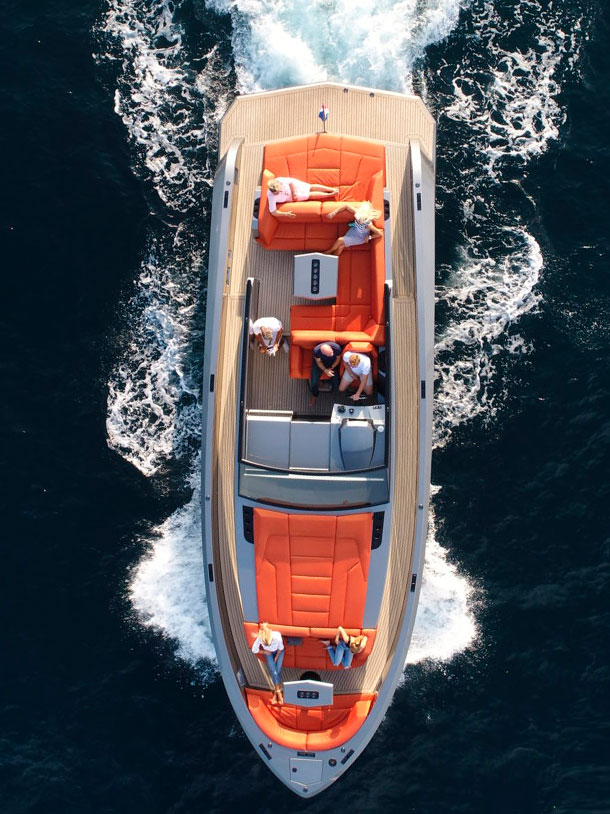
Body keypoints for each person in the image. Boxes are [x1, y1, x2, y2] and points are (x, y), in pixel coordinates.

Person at [267, 177, 338, 219]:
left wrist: (293, 192)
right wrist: (286, 214)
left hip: (293, 187)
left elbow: (291, 182)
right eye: (276, 193)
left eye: (279, 190)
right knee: (309, 195)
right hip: (290, 198)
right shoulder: (271, 196)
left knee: (310, 187)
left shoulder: (279, 180)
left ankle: (330, 189)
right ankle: (330, 195)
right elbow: (273, 212)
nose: (278, 193)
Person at [252, 622, 285, 704]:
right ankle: (279, 693)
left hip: (278, 652)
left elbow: (281, 648)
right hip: (268, 653)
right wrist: (264, 651)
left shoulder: (277, 636)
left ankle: (275, 692)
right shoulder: (260, 637)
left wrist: (276, 657)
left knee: (278, 670)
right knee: (274, 673)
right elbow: (254, 649)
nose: (269, 645)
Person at [309, 341, 342, 406]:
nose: (331, 355)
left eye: (332, 353)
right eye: (329, 355)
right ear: (323, 353)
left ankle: (322, 383)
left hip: (332, 364)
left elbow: (338, 359)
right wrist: (325, 370)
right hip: (321, 363)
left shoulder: (337, 348)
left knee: (336, 383)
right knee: (314, 381)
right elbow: (318, 362)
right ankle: (314, 395)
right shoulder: (317, 351)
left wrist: (331, 368)